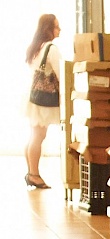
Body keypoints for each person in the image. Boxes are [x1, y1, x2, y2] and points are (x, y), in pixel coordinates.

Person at [24, 14, 61, 189]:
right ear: (48, 29)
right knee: (38, 136)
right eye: (56, 26)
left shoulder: (35, 47)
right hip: (44, 101)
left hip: (34, 97)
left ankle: (31, 171)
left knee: (34, 136)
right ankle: (34, 174)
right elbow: (62, 74)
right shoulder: (51, 49)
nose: (59, 30)